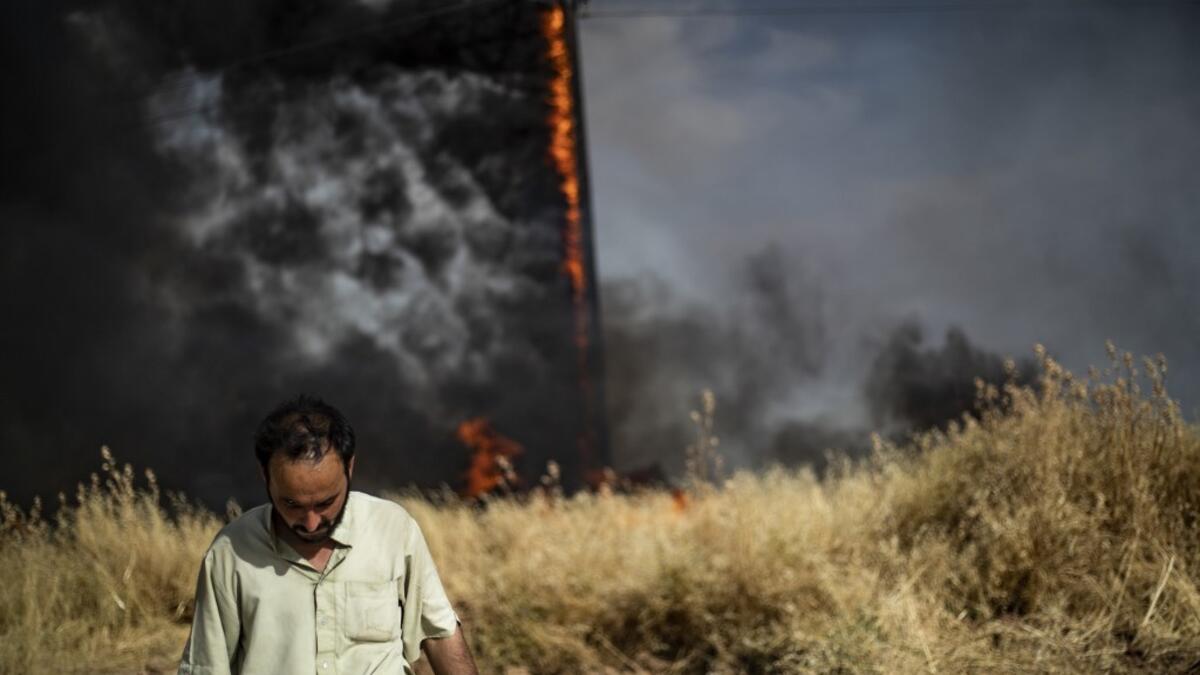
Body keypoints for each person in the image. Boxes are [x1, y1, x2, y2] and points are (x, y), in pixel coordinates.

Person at [179, 395, 478, 675]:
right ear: (264, 475)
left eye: (325, 503)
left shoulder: (393, 529)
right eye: (291, 504)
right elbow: (207, 666)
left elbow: (440, 635)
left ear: (349, 467)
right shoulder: (231, 553)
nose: (310, 524)